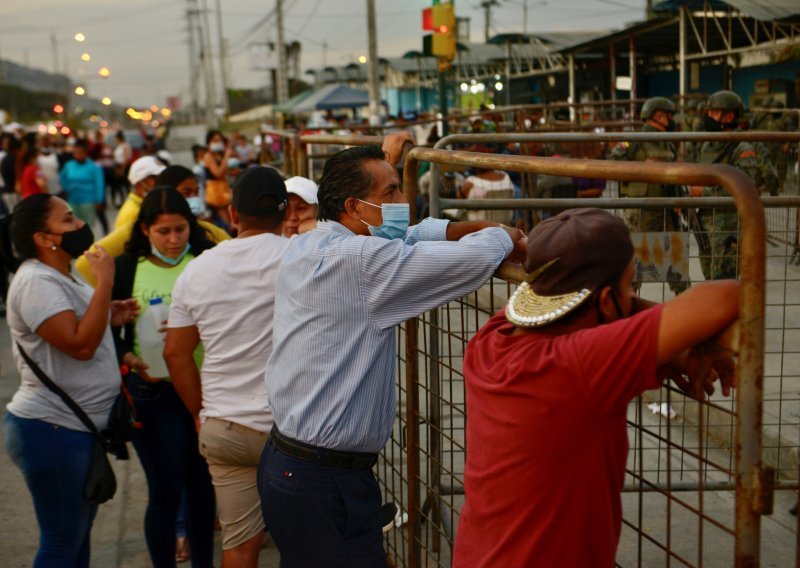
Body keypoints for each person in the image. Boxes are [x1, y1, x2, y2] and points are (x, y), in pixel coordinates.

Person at [258, 132, 527, 566]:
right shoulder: (361, 263)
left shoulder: (312, 241)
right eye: (392, 191)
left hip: (294, 468)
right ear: (353, 208)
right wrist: (506, 235)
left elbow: (405, 237)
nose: (404, 199)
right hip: (324, 480)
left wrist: (461, 226)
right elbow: (469, 261)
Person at [453, 208, 738, 567]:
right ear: (605, 302)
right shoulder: (580, 364)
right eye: (629, 285)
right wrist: (690, 342)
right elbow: (727, 296)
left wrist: (679, 352)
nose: (632, 296)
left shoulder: (490, 340)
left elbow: (586, 308)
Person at [165, 167, 290, 567]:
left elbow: (176, 354)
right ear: (286, 214)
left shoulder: (197, 270)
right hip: (291, 430)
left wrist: (201, 413)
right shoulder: (301, 258)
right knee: (307, 541)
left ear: (232, 215)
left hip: (224, 427)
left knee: (239, 544)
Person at [3, 193, 137, 567]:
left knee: (75, 543)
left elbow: (75, 325)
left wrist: (107, 313)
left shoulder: (62, 273)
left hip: (73, 430)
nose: (80, 225)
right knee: (62, 544)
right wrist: (106, 283)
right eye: (68, 220)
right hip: (52, 429)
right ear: (44, 239)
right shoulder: (35, 281)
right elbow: (79, 345)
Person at [111, 187, 216, 568]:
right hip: (154, 396)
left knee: (204, 491)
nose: (173, 240)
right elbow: (109, 329)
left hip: (207, 392)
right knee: (166, 492)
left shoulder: (207, 261)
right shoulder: (126, 269)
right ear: (144, 231)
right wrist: (124, 352)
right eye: (163, 232)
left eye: (180, 229)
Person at [74, 165, 230, 286]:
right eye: (186, 192)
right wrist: (114, 294)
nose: (174, 239)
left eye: (196, 192)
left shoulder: (206, 229)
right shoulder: (136, 227)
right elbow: (85, 263)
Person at [690, 90, 773, 280]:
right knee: (710, 280)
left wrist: (703, 192)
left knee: (724, 281)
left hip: (727, 226)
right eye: (709, 113)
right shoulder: (708, 145)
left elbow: (745, 188)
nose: (708, 117)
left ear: (729, 116)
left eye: (714, 113)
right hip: (705, 223)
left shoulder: (742, 148)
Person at [609, 96, 687, 293]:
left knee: (676, 261)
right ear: (658, 116)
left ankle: (684, 302)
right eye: (668, 117)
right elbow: (613, 162)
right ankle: (628, 303)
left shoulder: (667, 142)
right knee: (634, 264)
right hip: (641, 212)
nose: (670, 121)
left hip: (666, 209)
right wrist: (643, 167)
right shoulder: (635, 140)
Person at [59, 139, 105, 229]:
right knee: (73, 224)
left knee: (87, 224)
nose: (78, 155)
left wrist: (99, 200)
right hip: (73, 199)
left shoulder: (93, 166)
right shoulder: (69, 165)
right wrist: (66, 188)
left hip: (88, 200)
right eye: (76, 153)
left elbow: (99, 184)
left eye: (81, 153)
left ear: (86, 154)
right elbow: (62, 177)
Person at [116, 155, 166, 229]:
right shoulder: (132, 213)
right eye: (155, 178)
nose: (162, 181)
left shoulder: (147, 204)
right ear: (139, 182)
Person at [203, 130, 236, 228]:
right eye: (215, 140)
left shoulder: (218, 155)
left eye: (219, 140)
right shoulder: (208, 156)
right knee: (225, 222)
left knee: (230, 220)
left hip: (223, 189)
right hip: (216, 193)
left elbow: (225, 171)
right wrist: (226, 155)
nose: (218, 142)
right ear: (209, 142)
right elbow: (218, 173)